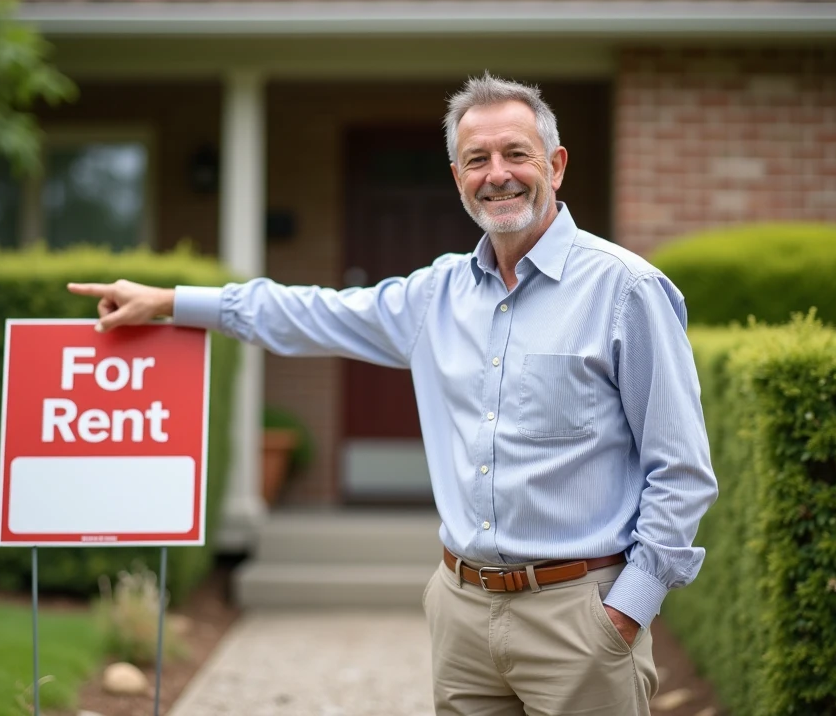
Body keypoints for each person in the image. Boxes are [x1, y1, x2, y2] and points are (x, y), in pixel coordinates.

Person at [69, 72, 717, 716]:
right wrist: (174, 302)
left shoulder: (627, 292)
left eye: (516, 154)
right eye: (476, 159)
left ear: (556, 163)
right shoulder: (436, 296)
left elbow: (681, 470)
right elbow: (306, 313)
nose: (498, 174)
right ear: (457, 175)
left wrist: (627, 609)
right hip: (462, 612)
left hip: (580, 619)